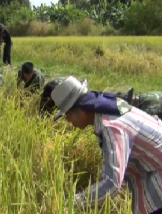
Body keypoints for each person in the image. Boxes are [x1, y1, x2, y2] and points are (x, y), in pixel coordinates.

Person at [50, 76, 162, 214]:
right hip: (151, 171)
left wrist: (69, 204)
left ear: (81, 110)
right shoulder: (110, 108)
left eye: (67, 116)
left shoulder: (111, 127)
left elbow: (112, 184)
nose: (68, 121)